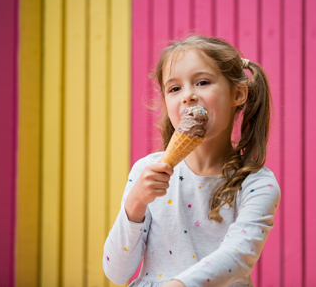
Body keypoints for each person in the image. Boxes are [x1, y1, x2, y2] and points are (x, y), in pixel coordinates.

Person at [103, 35, 281, 287]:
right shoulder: (146, 171)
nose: (188, 95)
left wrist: (180, 285)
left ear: (238, 94)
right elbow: (116, 273)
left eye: (202, 82)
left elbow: (238, 256)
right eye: (174, 88)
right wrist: (134, 204)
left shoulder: (257, 184)